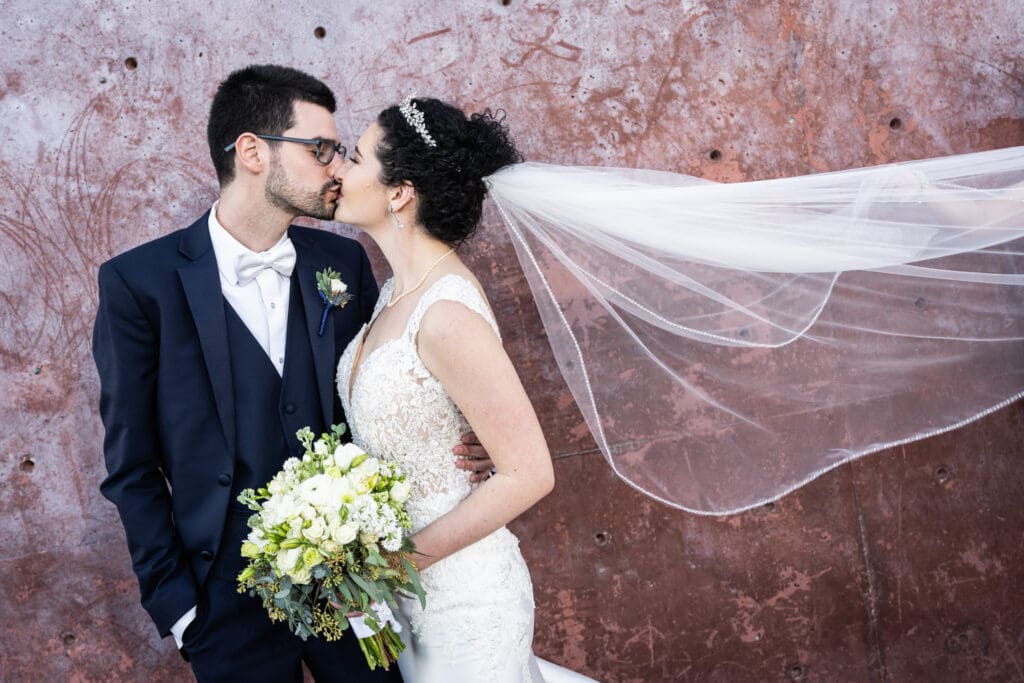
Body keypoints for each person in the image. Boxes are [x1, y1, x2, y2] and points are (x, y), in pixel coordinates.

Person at [93, 66, 493, 682]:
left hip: (359, 587)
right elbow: (130, 466)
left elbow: (378, 395)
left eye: (338, 151)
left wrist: (461, 443)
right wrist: (180, 610)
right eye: (320, 149)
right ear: (251, 152)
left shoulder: (343, 263)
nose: (337, 167)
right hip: (222, 604)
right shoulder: (138, 285)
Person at [334, 96, 595, 682]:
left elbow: (530, 472)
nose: (339, 172)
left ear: (399, 191)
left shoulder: (445, 309)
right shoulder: (393, 294)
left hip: (466, 605)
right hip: (405, 608)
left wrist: (394, 566)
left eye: (354, 158)